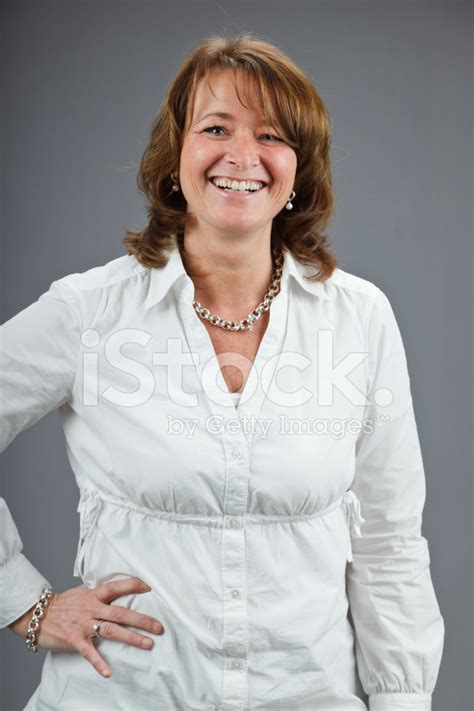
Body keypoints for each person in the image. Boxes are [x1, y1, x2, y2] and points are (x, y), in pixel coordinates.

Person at [0, 32, 445, 710]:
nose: (243, 156)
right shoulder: (90, 312)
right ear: (175, 156)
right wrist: (26, 605)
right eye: (216, 127)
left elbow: (388, 541)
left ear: (301, 168)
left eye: (272, 136)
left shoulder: (360, 318)